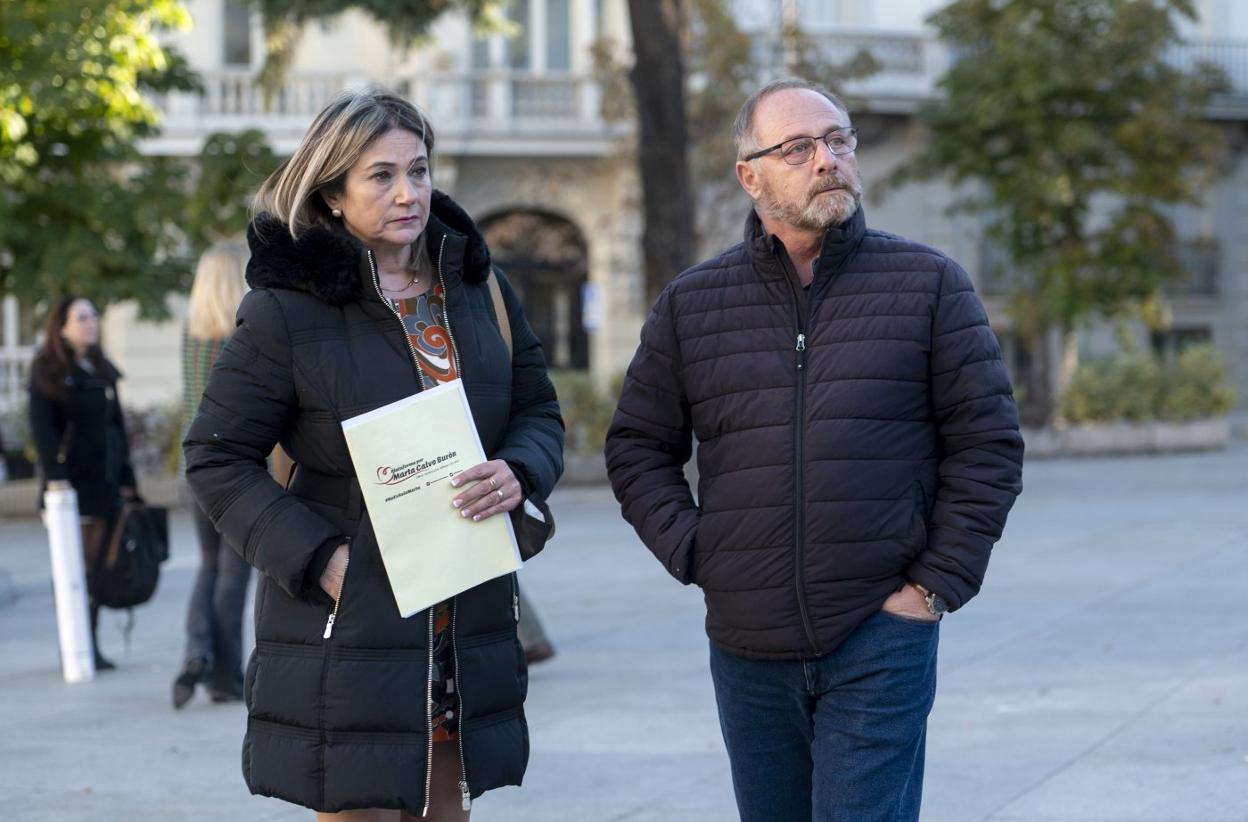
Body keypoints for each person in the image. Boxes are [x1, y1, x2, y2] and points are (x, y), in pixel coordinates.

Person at [604, 78, 1024, 822]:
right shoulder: (693, 304)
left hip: (879, 634)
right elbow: (637, 447)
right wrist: (702, 556)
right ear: (750, 175)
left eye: (838, 141)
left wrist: (930, 588)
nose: (827, 160)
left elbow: (987, 446)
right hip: (746, 647)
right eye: (798, 148)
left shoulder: (928, 285)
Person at [183, 88, 563, 821]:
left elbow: (538, 410)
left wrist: (519, 469)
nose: (408, 192)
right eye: (381, 175)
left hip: (464, 618)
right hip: (352, 622)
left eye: (418, 171)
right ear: (331, 193)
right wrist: (318, 559)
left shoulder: (479, 291)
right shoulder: (286, 311)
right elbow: (215, 457)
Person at [29, 295, 138, 671]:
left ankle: (89, 640)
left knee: (99, 566)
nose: (90, 322)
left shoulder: (101, 367)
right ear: (61, 326)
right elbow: (43, 432)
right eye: (81, 317)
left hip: (105, 483)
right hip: (70, 488)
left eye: (93, 315)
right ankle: (74, 645)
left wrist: (127, 478)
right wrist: (56, 482)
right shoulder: (47, 371)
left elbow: (117, 429)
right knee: (76, 567)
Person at [172, 241, 254, 709]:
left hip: (193, 465)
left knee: (208, 565)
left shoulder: (191, 332)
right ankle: (226, 674)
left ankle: (196, 652)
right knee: (233, 571)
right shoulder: (243, 333)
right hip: (234, 467)